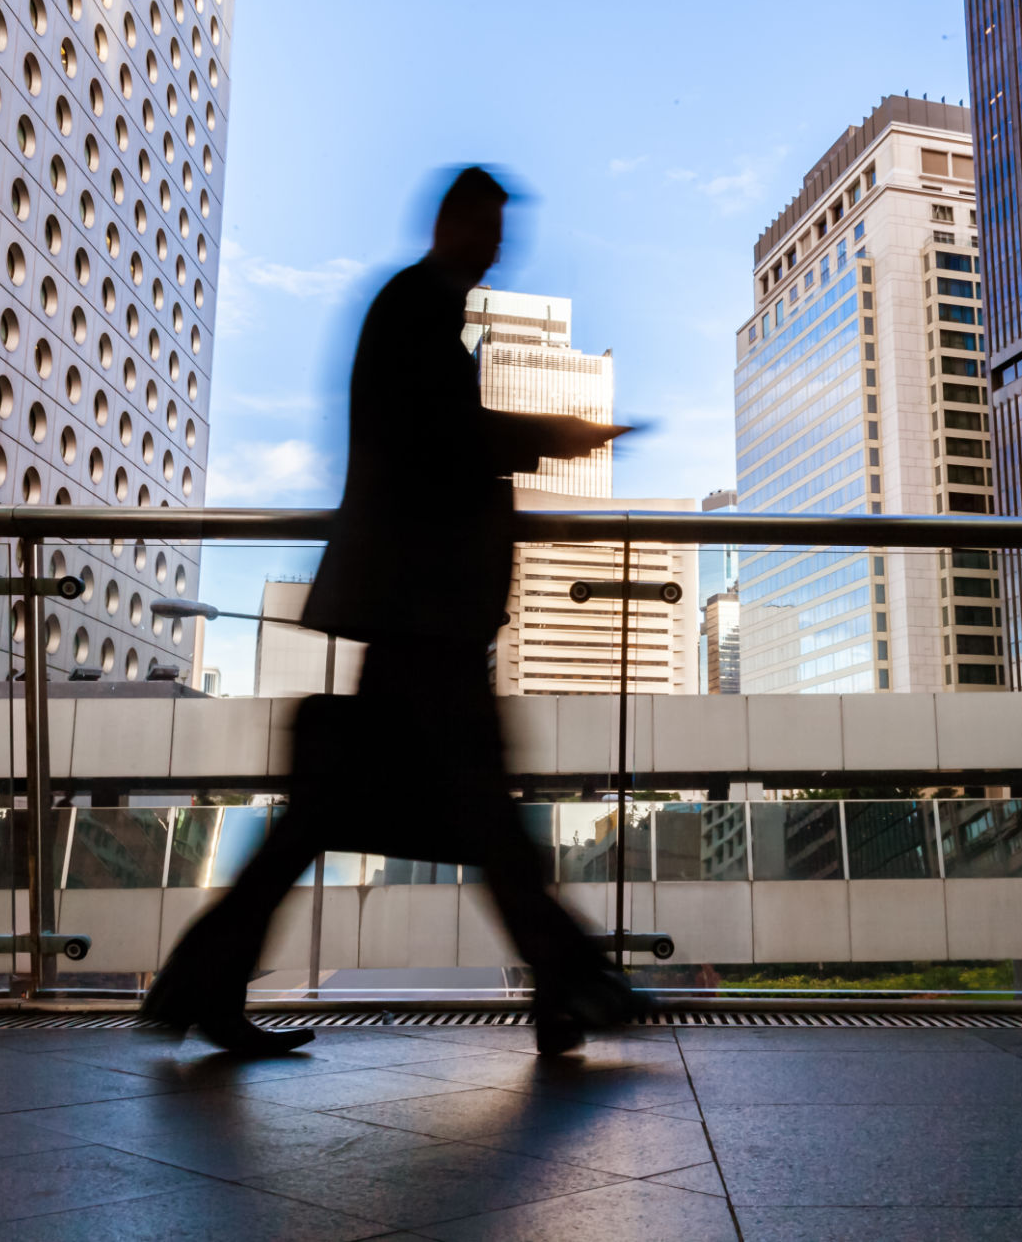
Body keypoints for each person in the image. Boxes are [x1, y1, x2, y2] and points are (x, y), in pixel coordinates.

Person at [144, 167, 647, 1056]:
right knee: (481, 805)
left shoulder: (417, 309)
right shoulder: (416, 309)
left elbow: (430, 438)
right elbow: (437, 442)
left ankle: (200, 984)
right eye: (489, 231)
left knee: (344, 808)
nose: (498, 249)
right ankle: (573, 986)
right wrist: (551, 434)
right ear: (455, 224)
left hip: (418, 607)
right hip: (424, 610)